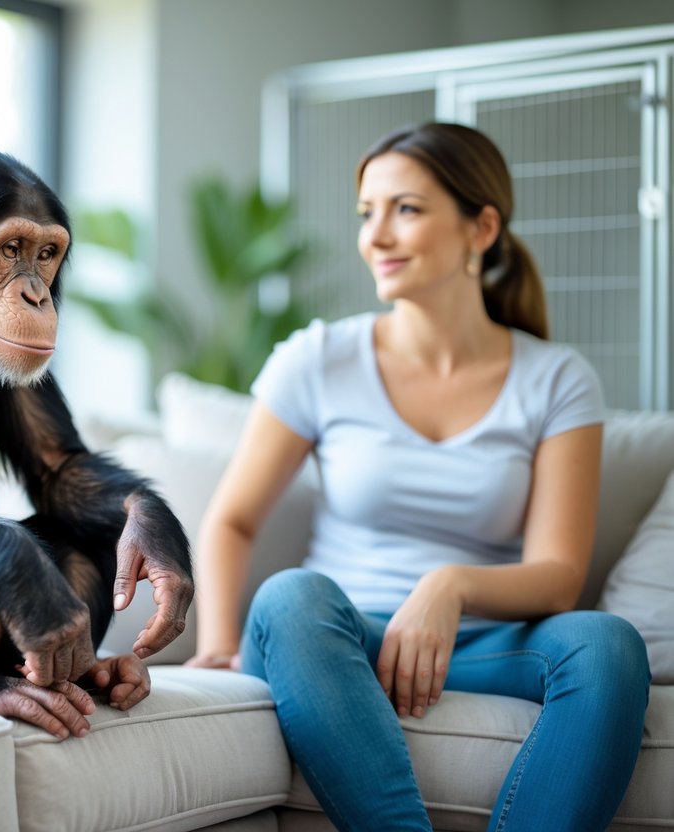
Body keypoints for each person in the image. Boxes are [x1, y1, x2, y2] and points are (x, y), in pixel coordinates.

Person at [186, 122, 650, 831]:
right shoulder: (315, 359)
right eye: (366, 213)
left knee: (606, 645)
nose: (375, 235)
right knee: (289, 597)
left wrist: (450, 584)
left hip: (484, 644)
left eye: (405, 209)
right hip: (338, 640)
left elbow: (557, 573)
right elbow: (232, 519)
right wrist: (217, 645)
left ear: (480, 227)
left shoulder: (555, 378)